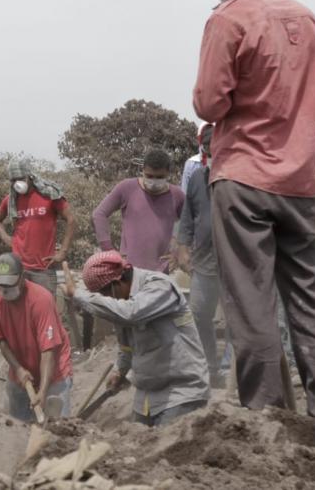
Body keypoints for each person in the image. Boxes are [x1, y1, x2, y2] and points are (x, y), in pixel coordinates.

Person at [191, 0, 315, 422]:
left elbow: (209, 104)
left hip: (244, 181)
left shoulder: (228, 20)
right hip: (302, 183)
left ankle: (268, 417)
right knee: (312, 302)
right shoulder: (311, 21)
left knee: (251, 303)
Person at [65, 251, 209, 427]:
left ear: (117, 281)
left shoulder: (160, 287)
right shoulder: (123, 299)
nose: (107, 301)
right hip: (147, 397)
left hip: (180, 394)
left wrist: (79, 295)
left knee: (163, 450)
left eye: (104, 294)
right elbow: (126, 345)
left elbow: (131, 313)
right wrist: (120, 371)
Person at [0, 253, 73, 422]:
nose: (5, 289)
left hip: (54, 371)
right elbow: (1, 340)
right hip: (20, 369)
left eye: (10, 283)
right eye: (1, 284)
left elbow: (48, 351)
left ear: (22, 277)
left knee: (57, 429)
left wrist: (43, 391)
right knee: (16, 428)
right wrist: (17, 369)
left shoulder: (41, 300)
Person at [176, 125, 222, 386]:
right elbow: (187, 218)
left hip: (234, 263)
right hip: (203, 262)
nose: (211, 155)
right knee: (198, 315)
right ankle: (210, 368)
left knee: (240, 318)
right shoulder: (196, 179)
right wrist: (182, 248)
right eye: (207, 150)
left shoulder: (240, 178)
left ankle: (233, 369)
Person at [92, 148, 185, 272]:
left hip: (161, 271)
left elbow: (190, 225)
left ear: (168, 173)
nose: (154, 181)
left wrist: (178, 252)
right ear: (142, 170)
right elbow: (99, 214)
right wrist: (109, 250)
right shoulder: (127, 188)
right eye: (149, 176)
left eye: (159, 177)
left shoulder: (177, 195)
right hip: (129, 269)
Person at [0, 159, 76, 294]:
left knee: (45, 308)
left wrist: (62, 253)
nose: (16, 183)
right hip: (18, 268)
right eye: (13, 180)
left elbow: (71, 220)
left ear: (30, 176)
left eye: (20, 178)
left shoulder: (50, 195)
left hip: (44, 269)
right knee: (19, 310)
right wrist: (8, 239)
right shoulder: (11, 199)